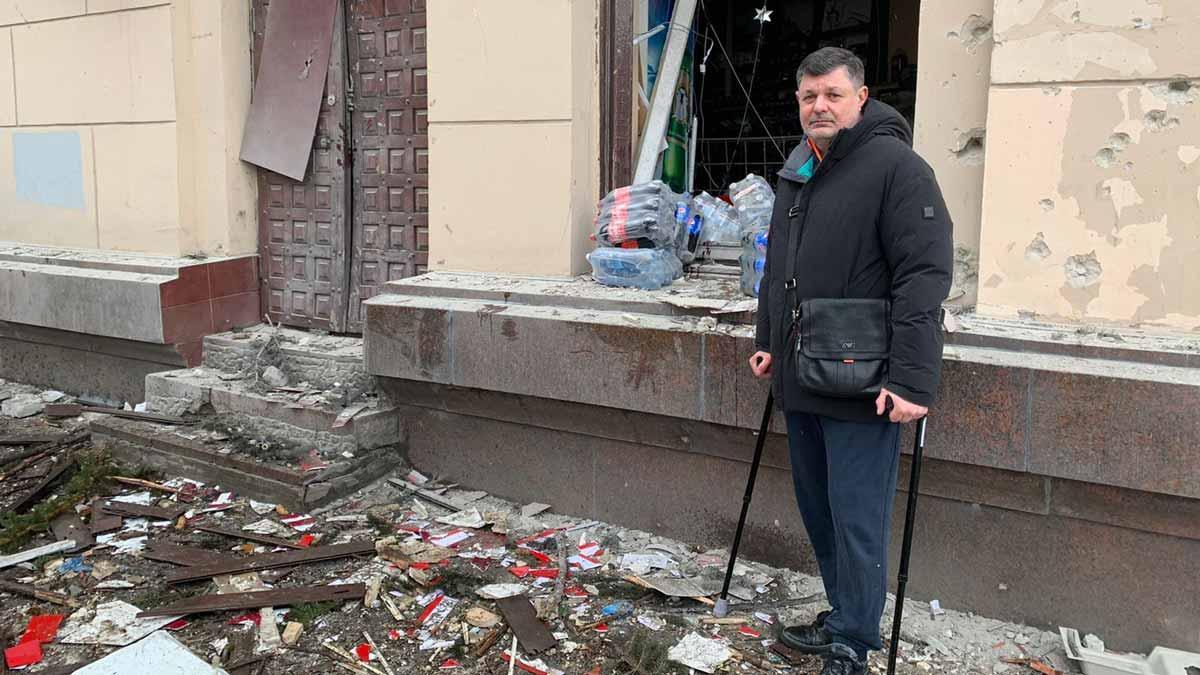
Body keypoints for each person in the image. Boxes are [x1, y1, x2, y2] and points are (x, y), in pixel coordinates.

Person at [747, 47, 953, 675]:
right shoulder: (799, 170)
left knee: (858, 519)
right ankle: (844, 615)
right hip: (803, 370)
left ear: (861, 98)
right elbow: (777, 268)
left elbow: (924, 276)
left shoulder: (898, 168)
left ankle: (853, 642)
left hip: (867, 380)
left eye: (833, 94)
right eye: (809, 97)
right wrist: (768, 339)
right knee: (820, 509)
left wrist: (913, 379)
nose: (820, 107)